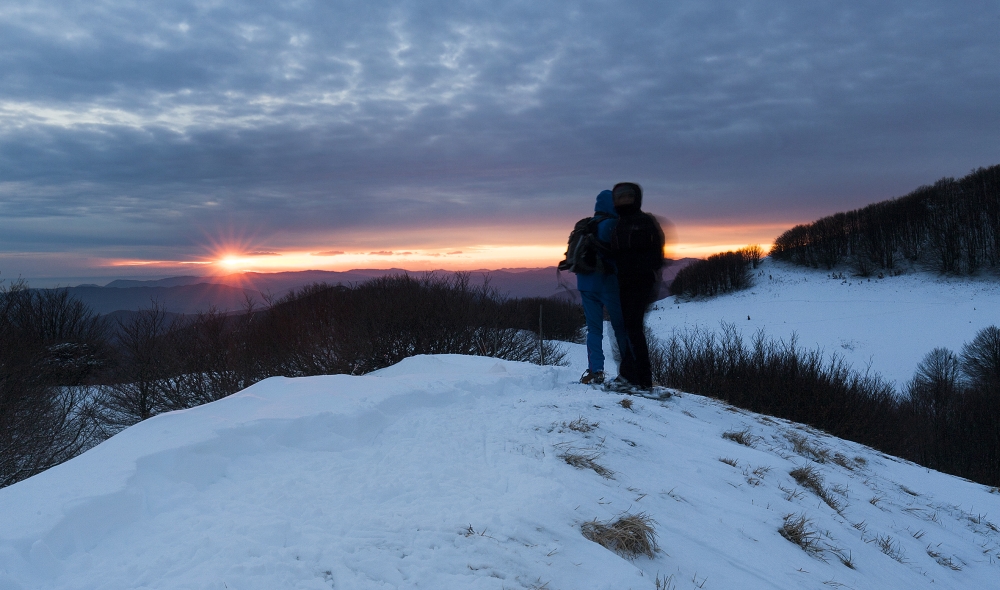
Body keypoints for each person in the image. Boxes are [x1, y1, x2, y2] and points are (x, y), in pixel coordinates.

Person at [606, 182, 665, 392]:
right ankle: (632, 376)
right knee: (629, 329)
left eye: (627, 196)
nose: (624, 201)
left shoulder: (644, 221)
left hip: (641, 283)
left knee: (633, 329)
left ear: (636, 198)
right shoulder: (620, 224)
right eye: (620, 197)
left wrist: (646, 272)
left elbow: (657, 253)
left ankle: (643, 381)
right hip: (625, 283)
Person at [575, 190, 630, 385]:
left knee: (594, 329)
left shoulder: (587, 225)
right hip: (608, 285)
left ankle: (595, 371)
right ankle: (628, 373)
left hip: (585, 284)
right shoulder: (613, 225)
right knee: (621, 329)